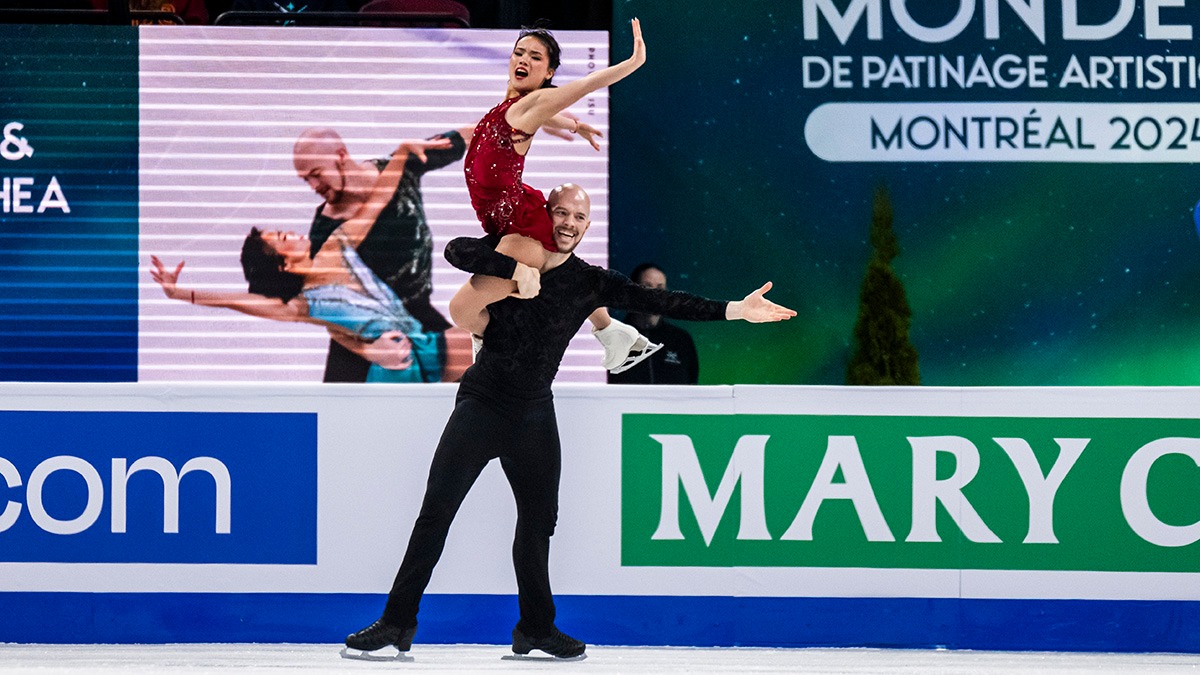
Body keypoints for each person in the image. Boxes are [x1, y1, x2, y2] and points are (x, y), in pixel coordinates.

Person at [342, 183, 796, 660]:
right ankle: (397, 622)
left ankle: (536, 629)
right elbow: (457, 250)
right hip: (481, 402)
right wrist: (514, 267)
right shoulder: (516, 256)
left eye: (578, 217)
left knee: (539, 524)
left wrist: (735, 310)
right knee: (436, 514)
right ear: (546, 215)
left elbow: (663, 302)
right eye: (560, 213)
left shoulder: (589, 281)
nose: (568, 224)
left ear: (587, 226)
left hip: (534, 413)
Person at [150, 139, 454, 383]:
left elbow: (378, 201)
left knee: (488, 357)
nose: (294, 233)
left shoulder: (335, 247)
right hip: (398, 367)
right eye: (284, 238)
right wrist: (179, 294)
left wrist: (401, 153)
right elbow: (236, 300)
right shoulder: (301, 305)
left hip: (416, 343)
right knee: (489, 358)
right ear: (283, 264)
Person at [453, 19, 661, 374]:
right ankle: (611, 330)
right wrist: (576, 126)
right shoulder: (514, 106)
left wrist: (631, 63)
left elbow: (583, 85)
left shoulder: (526, 106)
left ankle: (492, 342)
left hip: (519, 226)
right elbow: (547, 117)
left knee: (461, 311)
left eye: (536, 57)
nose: (524, 59)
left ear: (548, 72)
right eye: (519, 52)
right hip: (515, 215)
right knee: (569, 275)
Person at [294, 127, 472, 382]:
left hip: (417, 316)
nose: (313, 186)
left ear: (341, 155)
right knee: (339, 416)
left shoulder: (400, 168)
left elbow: (470, 135)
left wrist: (527, 110)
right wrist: (367, 350)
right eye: (305, 180)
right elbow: (326, 309)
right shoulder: (324, 231)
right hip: (364, 337)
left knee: (473, 392)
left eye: (316, 175)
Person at [608, 263, 700, 384]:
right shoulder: (613, 339)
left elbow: (691, 385)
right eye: (647, 287)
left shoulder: (681, 340)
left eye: (660, 288)